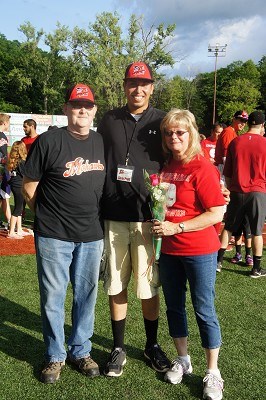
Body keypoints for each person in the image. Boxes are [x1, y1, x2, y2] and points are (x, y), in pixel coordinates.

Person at [22, 83, 106, 383]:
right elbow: (29, 184)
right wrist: (44, 214)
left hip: (92, 233)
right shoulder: (49, 140)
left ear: (94, 110)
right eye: (75, 104)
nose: (81, 109)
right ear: (66, 109)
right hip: (54, 233)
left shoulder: (101, 142)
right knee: (53, 297)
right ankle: (56, 355)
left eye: (87, 105)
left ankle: (81, 350)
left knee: (86, 295)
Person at [97, 61, 171, 377]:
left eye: (143, 84)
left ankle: (151, 345)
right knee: (116, 283)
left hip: (148, 219)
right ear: (125, 86)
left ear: (152, 87)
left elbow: (179, 161)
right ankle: (118, 347)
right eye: (132, 83)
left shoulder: (163, 121)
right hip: (113, 216)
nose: (137, 89)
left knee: (148, 286)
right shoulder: (109, 119)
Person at [152, 109, 225, 400]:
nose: (174, 137)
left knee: (204, 310)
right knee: (174, 307)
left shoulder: (202, 167)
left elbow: (216, 212)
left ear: (191, 132)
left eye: (180, 132)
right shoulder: (167, 164)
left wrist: (177, 226)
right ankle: (183, 359)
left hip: (199, 250)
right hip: (169, 250)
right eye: (169, 133)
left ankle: (213, 372)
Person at [217, 111, 266, 278]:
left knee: (229, 226)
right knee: (257, 231)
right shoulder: (264, 143)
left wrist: (232, 188)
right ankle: (256, 268)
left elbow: (228, 173)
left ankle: (218, 262)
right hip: (257, 191)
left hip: (237, 190)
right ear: (262, 125)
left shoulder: (236, 141)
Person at [214, 110, 248, 181]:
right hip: (223, 167)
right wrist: (231, 172)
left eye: (245, 121)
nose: (243, 124)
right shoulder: (228, 132)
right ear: (234, 119)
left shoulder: (234, 133)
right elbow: (225, 155)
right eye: (241, 120)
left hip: (226, 167)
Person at [7, 141, 29, 238]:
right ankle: (11, 232)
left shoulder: (13, 160)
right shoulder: (21, 162)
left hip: (15, 185)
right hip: (19, 186)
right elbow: (25, 175)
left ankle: (19, 229)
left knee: (20, 207)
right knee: (17, 208)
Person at [0, 113, 11, 228]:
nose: (9, 125)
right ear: (4, 123)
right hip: (1, 171)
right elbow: (3, 157)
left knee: (2, 196)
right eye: (8, 122)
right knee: (5, 196)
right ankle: (10, 222)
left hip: (2, 170)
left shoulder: (3, 136)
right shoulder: (2, 136)